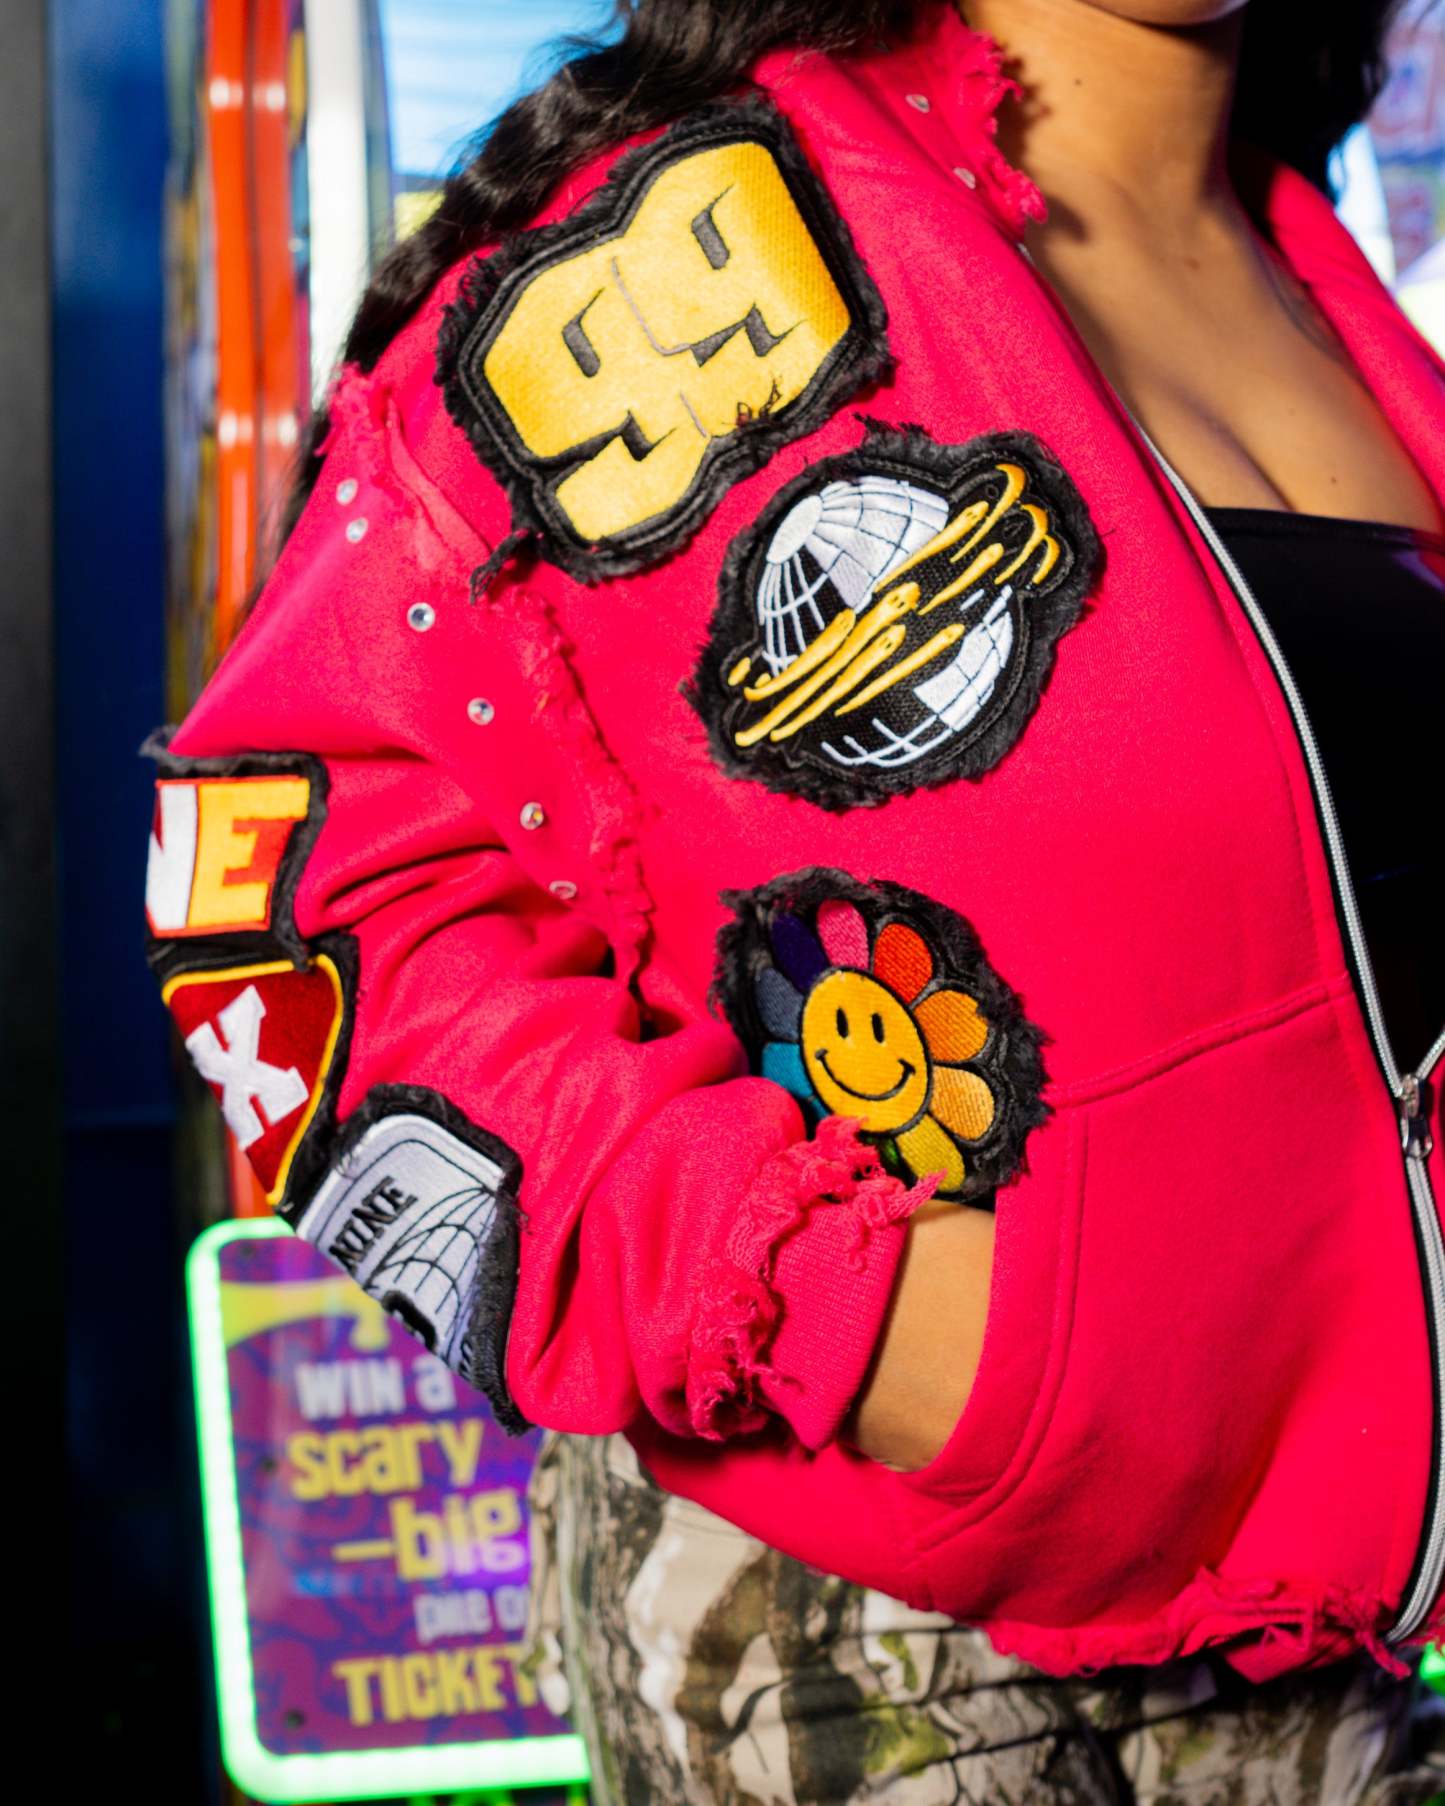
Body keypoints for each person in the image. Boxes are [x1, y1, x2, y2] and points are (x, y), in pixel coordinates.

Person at [144, 0, 1445, 1797]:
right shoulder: (700, 245)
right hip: (875, 1635)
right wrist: (856, 1316)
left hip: (1338, 1610)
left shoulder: (1326, 276)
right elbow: (283, 899)